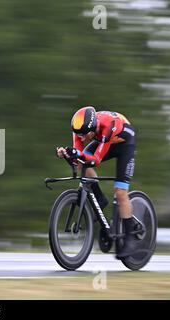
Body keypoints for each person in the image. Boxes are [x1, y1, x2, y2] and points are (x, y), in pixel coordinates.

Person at [56, 106, 138, 258]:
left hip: (124, 144)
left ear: (93, 130)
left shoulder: (107, 127)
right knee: (82, 162)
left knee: (120, 193)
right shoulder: (80, 129)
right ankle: (99, 198)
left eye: (83, 135)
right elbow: (78, 157)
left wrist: (77, 154)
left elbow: (96, 160)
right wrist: (68, 154)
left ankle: (130, 237)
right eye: (77, 134)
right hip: (106, 141)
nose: (80, 138)